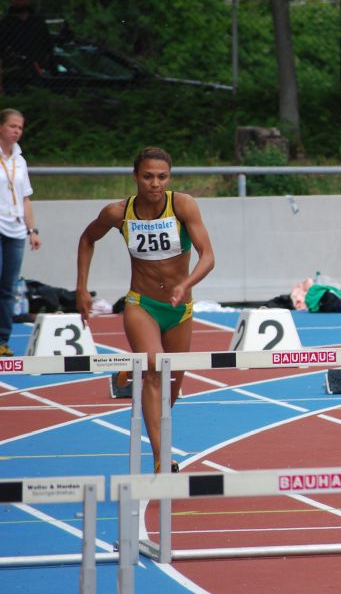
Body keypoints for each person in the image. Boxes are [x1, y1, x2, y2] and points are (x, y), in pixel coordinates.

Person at [76, 147, 215, 473]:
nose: (155, 183)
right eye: (148, 176)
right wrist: (81, 287)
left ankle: (132, 374)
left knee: (172, 388)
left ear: (169, 178)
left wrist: (186, 283)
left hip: (179, 309)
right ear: (135, 177)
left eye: (162, 177)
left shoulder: (182, 205)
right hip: (141, 304)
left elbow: (208, 256)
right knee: (154, 371)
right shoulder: (118, 213)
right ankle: (160, 458)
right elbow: (87, 239)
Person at [0, 109, 40, 356]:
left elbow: (25, 198)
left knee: (8, 287)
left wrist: (32, 230)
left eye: (20, 127)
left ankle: (2, 340)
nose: (16, 131)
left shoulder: (20, 160)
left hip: (15, 230)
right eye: (12, 126)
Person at [0, 0, 53, 93]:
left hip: (37, 74)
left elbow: (48, 46)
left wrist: (45, 66)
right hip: (13, 76)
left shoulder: (38, 21)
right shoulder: (5, 24)